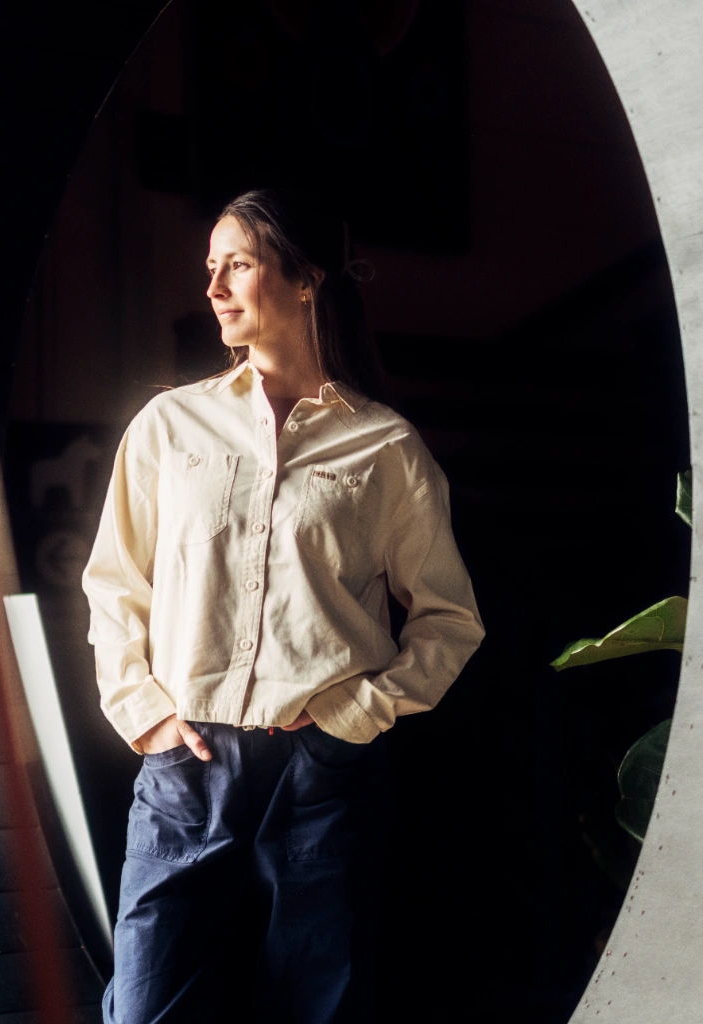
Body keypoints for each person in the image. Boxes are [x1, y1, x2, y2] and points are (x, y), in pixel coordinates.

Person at [82, 188, 484, 1023]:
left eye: (239, 263)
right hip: (185, 765)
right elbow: (116, 584)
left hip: (322, 773)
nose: (215, 286)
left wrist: (360, 714)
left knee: (316, 1006)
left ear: (305, 280)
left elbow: (449, 618)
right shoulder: (168, 426)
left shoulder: (384, 446)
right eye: (210, 268)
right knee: (144, 1006)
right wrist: (146, 715)